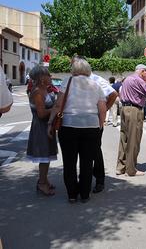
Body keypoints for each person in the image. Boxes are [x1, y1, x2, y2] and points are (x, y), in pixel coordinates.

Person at [48, 57, 106, 203]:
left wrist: (50, 123)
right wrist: (100, 124)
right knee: (87, 162)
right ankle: (85, 194)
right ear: (88, 69)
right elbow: (102, 109)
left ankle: (72, 194)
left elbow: (58, 105)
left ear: (74, 69)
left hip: (68, 125)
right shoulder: (96, 84)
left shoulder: (67, 82)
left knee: (69, 162)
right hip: (91, 127)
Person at [116, 64, 146, 176]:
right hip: (134, 110)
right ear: (142, 71)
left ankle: (121, 167)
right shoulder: (139, 80)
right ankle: (131, 170)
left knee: (124, 139)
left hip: (124, 109)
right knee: (134, 140)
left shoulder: (128, 79)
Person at [26, 66, 58, 196]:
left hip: (45, 126)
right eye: (48, 75)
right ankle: (42, 184)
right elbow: (41, 114)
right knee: (44, 156)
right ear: (41, 78)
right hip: (41, 127)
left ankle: (44, 180)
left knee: (47, 156)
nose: (51, 77)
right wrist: (54, 109)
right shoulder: (38, 92)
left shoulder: (44, 89)